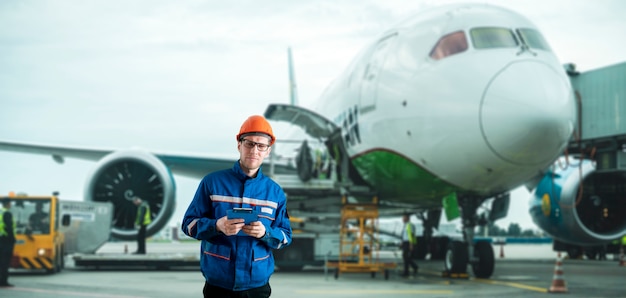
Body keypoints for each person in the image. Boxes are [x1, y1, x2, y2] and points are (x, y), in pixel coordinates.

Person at [181, 115, 292, 298]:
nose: (254, 150)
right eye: (249, 143)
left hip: (257, 287)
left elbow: (286, 237)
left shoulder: (275, 193)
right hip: (218, 285)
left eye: (261, 145)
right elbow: (189, 225)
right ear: (239, 145)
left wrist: (265, 233)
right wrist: (217, 226)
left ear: (268, 151)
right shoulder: (212, 183)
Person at [0, 199, 16, 287]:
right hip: (6, 240)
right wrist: (13, 238)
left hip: (1, 239)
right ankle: (3, 281)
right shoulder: (7, 213)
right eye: (10, 203)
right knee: (5, 261)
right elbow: (9, 227)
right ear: (7, 204)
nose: (11, 205)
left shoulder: (0, 212)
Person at [401, 213, 418, 277]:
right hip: (405, 242)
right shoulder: (405, 225)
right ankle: (414, 267)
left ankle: (406, 272)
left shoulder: (410, 225)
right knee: (406, 257)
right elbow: (405, 235)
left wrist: (411, 244)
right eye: (403, 217)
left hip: (409, 242)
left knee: (405, 257)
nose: (402, 219)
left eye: (404, 217)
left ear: (408, 218)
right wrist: (402, 242)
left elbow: (411, 235)